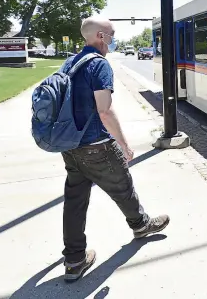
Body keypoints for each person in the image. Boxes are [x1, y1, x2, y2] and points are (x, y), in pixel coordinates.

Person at [59, 16, 169, 282]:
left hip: (71, 145)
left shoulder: (69, 62)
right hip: (96, 144)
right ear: (100, 36)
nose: (114, 38)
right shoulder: (99, 65)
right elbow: (105, 110)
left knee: (74, 201)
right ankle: (141, 225)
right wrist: (124, 144)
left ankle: (74, 260)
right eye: (112, 33)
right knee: (123, 186)